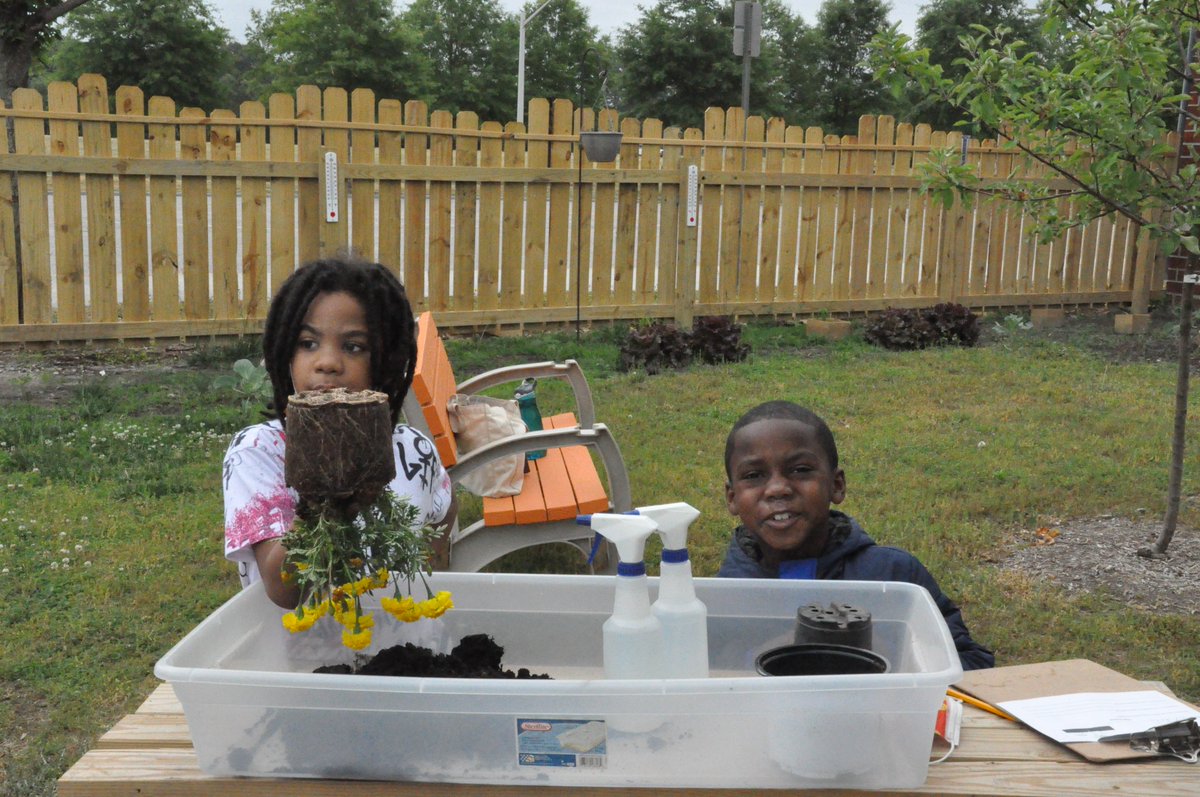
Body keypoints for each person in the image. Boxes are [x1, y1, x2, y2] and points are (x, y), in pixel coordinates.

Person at [222, 256, 456, 609]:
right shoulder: (258, 452)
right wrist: (327, 503)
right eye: (307, 343)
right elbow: (284, 589)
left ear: (385, 361)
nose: (327, 362)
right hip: (296, 655)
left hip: (399, 646)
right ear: (285, 352)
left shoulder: (412, 449)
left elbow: (443, 517)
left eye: (353, 346)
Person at [718, 400, 994, 670]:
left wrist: (887, 655)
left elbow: (973, 665)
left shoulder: (893, 575)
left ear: (836, 485)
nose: (778, 488)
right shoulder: (720, 598)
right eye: (754, 475)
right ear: (732, 498)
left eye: (800, 470)